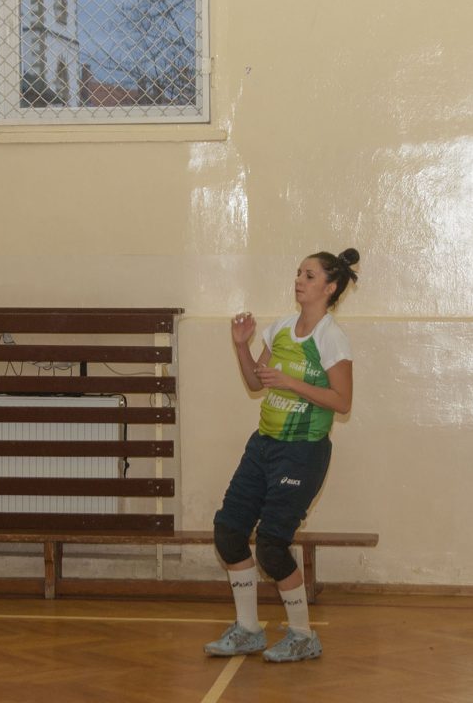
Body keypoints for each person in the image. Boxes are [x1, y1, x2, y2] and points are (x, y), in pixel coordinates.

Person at [203, 248, 360, 663]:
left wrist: (291, 383)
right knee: (229, 532)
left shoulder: (331, 338)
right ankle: (248, 630)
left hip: (303, 452)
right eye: (298, 273)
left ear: (329, 288)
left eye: (309, 276)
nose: (299, 281)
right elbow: (257, 382)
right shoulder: (281, 329)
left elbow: (342, 401)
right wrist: (241, 346)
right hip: (264, 445)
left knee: (272, 546)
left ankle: (303, 636)